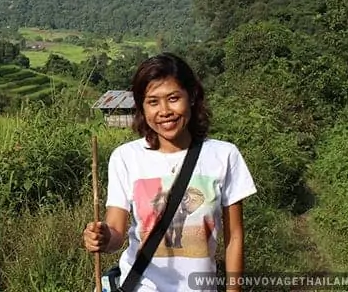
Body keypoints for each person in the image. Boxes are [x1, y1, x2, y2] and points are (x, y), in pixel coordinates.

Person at [83, 52, 257, 292]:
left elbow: (234, 237)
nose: (164, 111)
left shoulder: (223, 156)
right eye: (153, 102)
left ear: (192, 96)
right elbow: (116, 234)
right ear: (142, 107)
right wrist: (102, 237)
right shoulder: (126, 157)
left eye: (173, 98)